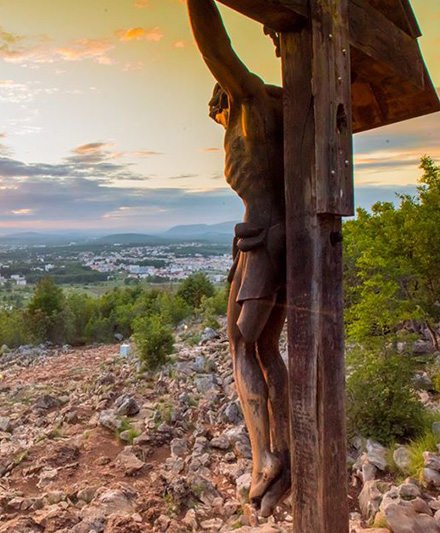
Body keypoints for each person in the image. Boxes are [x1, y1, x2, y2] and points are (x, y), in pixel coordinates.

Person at [187, 0, 291, 517]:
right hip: (282, 236)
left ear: (225, 95)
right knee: (267, 344)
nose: (219, 122)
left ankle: (264, 458)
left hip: (261, 234)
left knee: (240, 344)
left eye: (217, 111)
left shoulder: (249, 98)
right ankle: (284, 450)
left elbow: (215, 45)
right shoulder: (287, 111)